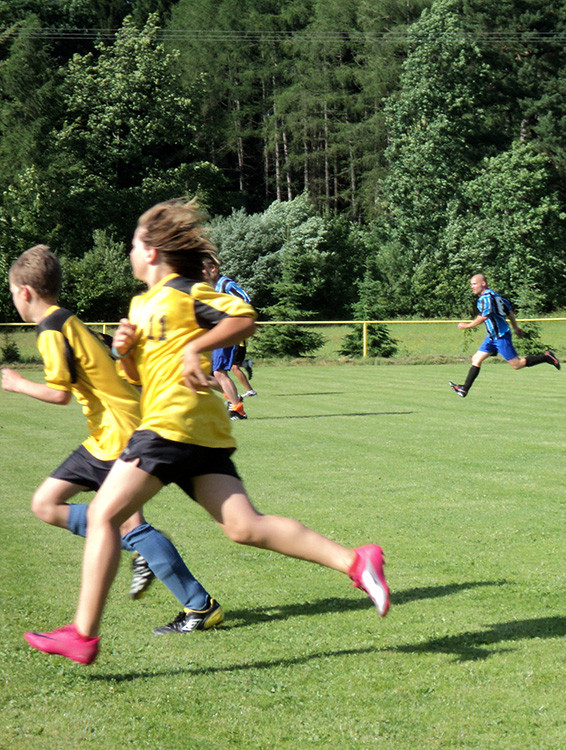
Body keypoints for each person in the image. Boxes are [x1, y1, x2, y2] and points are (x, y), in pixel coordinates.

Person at [24, 200, 389, 666]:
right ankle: (355, 561)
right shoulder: (139, 305)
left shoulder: (185, 292)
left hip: (169, 425)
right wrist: (126, 351)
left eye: (133, 244)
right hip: (199, 431)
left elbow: (243, 317)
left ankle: (82, 634)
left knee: (102, 516)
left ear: (151, 252)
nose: (129, 253)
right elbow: (137, 377)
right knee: (244, 526)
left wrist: (195, 345)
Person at [4, 245, 224, 635]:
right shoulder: (66, 320)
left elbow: (59, 393)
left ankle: (196, 603)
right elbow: (109, 351)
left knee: (127, 523)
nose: (13, 300)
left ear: (25, 292)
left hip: (117, 433)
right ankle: (146, 552)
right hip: (106, 433)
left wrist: (17, 383)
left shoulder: (51, 329)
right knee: (46, 504)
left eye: (11, 293)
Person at [448, 273, 560, 397]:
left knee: (517, 364)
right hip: (492, 337)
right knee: (476, 359)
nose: (472, 287)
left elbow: (484, 316)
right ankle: (464, 389)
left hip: (500, 336)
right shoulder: (496, 296)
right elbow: (509, 312)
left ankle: (546, 357)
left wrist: (467, 325)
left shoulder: (485, 298)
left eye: (474, 284)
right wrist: (515, 327)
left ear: (483, 283)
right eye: (471, 284)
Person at [202, 254, 256, 420]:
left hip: (226, 333)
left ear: (213, 268)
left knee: (219, 372)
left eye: (203, 269)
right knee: (203, 374)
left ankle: (238, 410)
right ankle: (234, 398)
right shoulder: (208, 287)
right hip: (214, 334)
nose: (200, 272)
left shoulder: (225, 284)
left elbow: (245, 299)